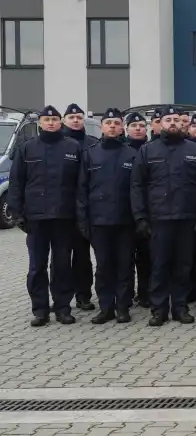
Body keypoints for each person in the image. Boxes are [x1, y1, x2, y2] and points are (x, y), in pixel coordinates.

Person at [131, 106, 196, 326]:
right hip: (158, 219)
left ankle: (180, 307)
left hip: (187, 218)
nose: (173, 123)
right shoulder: (148, 150)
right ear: (160, 123)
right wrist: (140, 217)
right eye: (168, 120)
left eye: (177, 119)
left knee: (183, 266)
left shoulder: (195, 150)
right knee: (159, 266)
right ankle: (159, 309)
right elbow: (137, 186)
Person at [9, 105, 82, 326]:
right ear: (40, 123)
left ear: (61, 122)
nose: (50, 123)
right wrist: (17, 213)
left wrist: (80, 214)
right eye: (46, 120)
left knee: (62, 265)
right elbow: (16, 182)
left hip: (63, 217)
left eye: (54, 120)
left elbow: (81, 184)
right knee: (36, 266)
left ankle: (62, 308)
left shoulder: (73, 147)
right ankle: (40, 310)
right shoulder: (27, 148)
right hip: (36, 218)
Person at [77, 108, 138, 325]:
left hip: (126, 222)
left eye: (116, 123)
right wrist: (83, 221)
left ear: (122, 128)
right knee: (103, 266)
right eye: (108, 123)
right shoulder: (90, 154)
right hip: (99, 221)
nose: (112, 127)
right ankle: (106, 307)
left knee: (125, 265)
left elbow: (139, 189)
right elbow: (82, 190)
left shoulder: (132, 154)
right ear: (102, 127)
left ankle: (122, 307)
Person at [62, 103, 99, 311]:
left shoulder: (93, 143)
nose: (76, 120)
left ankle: (83, 296)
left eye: (79, 117)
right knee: (61, 257)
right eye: (72, 117)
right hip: (64, 209)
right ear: (64, 120)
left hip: (87, 209)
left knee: (83, 257)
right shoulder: (59, 143)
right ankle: (62, 298)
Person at [125, 113, 151, 308]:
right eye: (134, 125)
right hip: (124, 213)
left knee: (146, 257)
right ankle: (126, 294)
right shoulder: (122, 150)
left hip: (147, 213)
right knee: (125, 258)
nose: (138, 129)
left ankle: (145, 293)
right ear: (127, 129)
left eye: (141, 125)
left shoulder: (152, 150)